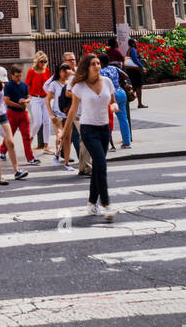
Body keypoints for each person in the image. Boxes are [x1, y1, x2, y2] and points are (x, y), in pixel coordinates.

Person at [61, 52, 117, 219]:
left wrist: (114, 106)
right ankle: (106, 205)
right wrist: (64, 133)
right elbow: (72, 110)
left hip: (104, 128)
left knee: (98, 167)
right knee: (101, 164)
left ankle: (92, 204)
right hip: (88, 129)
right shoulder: (79, 86)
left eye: (98, 63)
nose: (97, 66)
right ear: (87, 67)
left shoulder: (107, 82)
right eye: (93, 63)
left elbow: (112, 100)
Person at [1, 63, 39, 164]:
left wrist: (25, 101)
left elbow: (28, 97)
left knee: (26, 136)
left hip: (23, 113)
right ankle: (3, 151)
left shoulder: (24, 85)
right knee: (10, 135)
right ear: (12, 75)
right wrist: (19, 105)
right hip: (12, 113)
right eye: (16, 76)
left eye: (20, 76)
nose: (19, 78)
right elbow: (6, 101)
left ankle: (30, 157)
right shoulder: (8, 86)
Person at [44, 61, 73, 163]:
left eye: (67, 71)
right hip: (57, 114)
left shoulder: (69, 84)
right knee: (60, 135)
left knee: (67, 138)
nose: (66, 73)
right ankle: (58, 153)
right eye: (63, 71)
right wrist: (51, 115)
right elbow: (47, 100)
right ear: (59, 72)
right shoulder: (54, 84)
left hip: (67, 114)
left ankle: (65, 159)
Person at [26, 50, 53, 152]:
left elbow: (49, 84)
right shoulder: (31, 71)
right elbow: (27, 84)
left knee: (47, 121)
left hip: (45, 98)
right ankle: (30, 140)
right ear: (37, 61)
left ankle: (46, 145)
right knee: (37, 121)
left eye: (45, 61)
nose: (43, 64)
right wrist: (27, 96)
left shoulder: (47, 71)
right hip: (35, 98)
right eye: (41, 61)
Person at [101, 59, 132, 149]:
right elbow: (126, 76)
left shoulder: (101, 71)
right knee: (123, 119)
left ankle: (109, 144)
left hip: (111, 96)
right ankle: (127, 142)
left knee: (108, 120)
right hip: (121, 93)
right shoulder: (114, 68)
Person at [124, 38, 147, 107]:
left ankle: (127, 101)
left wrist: (142, 59)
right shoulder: (133, 50)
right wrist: (142, 67)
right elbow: (135, 60)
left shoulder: (129, 50)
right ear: (132, 43)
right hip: (135, 70)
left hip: (130, 70)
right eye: (135, 42)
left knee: (134, 86)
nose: (137, 44)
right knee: (138, 86)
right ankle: (139, 103)